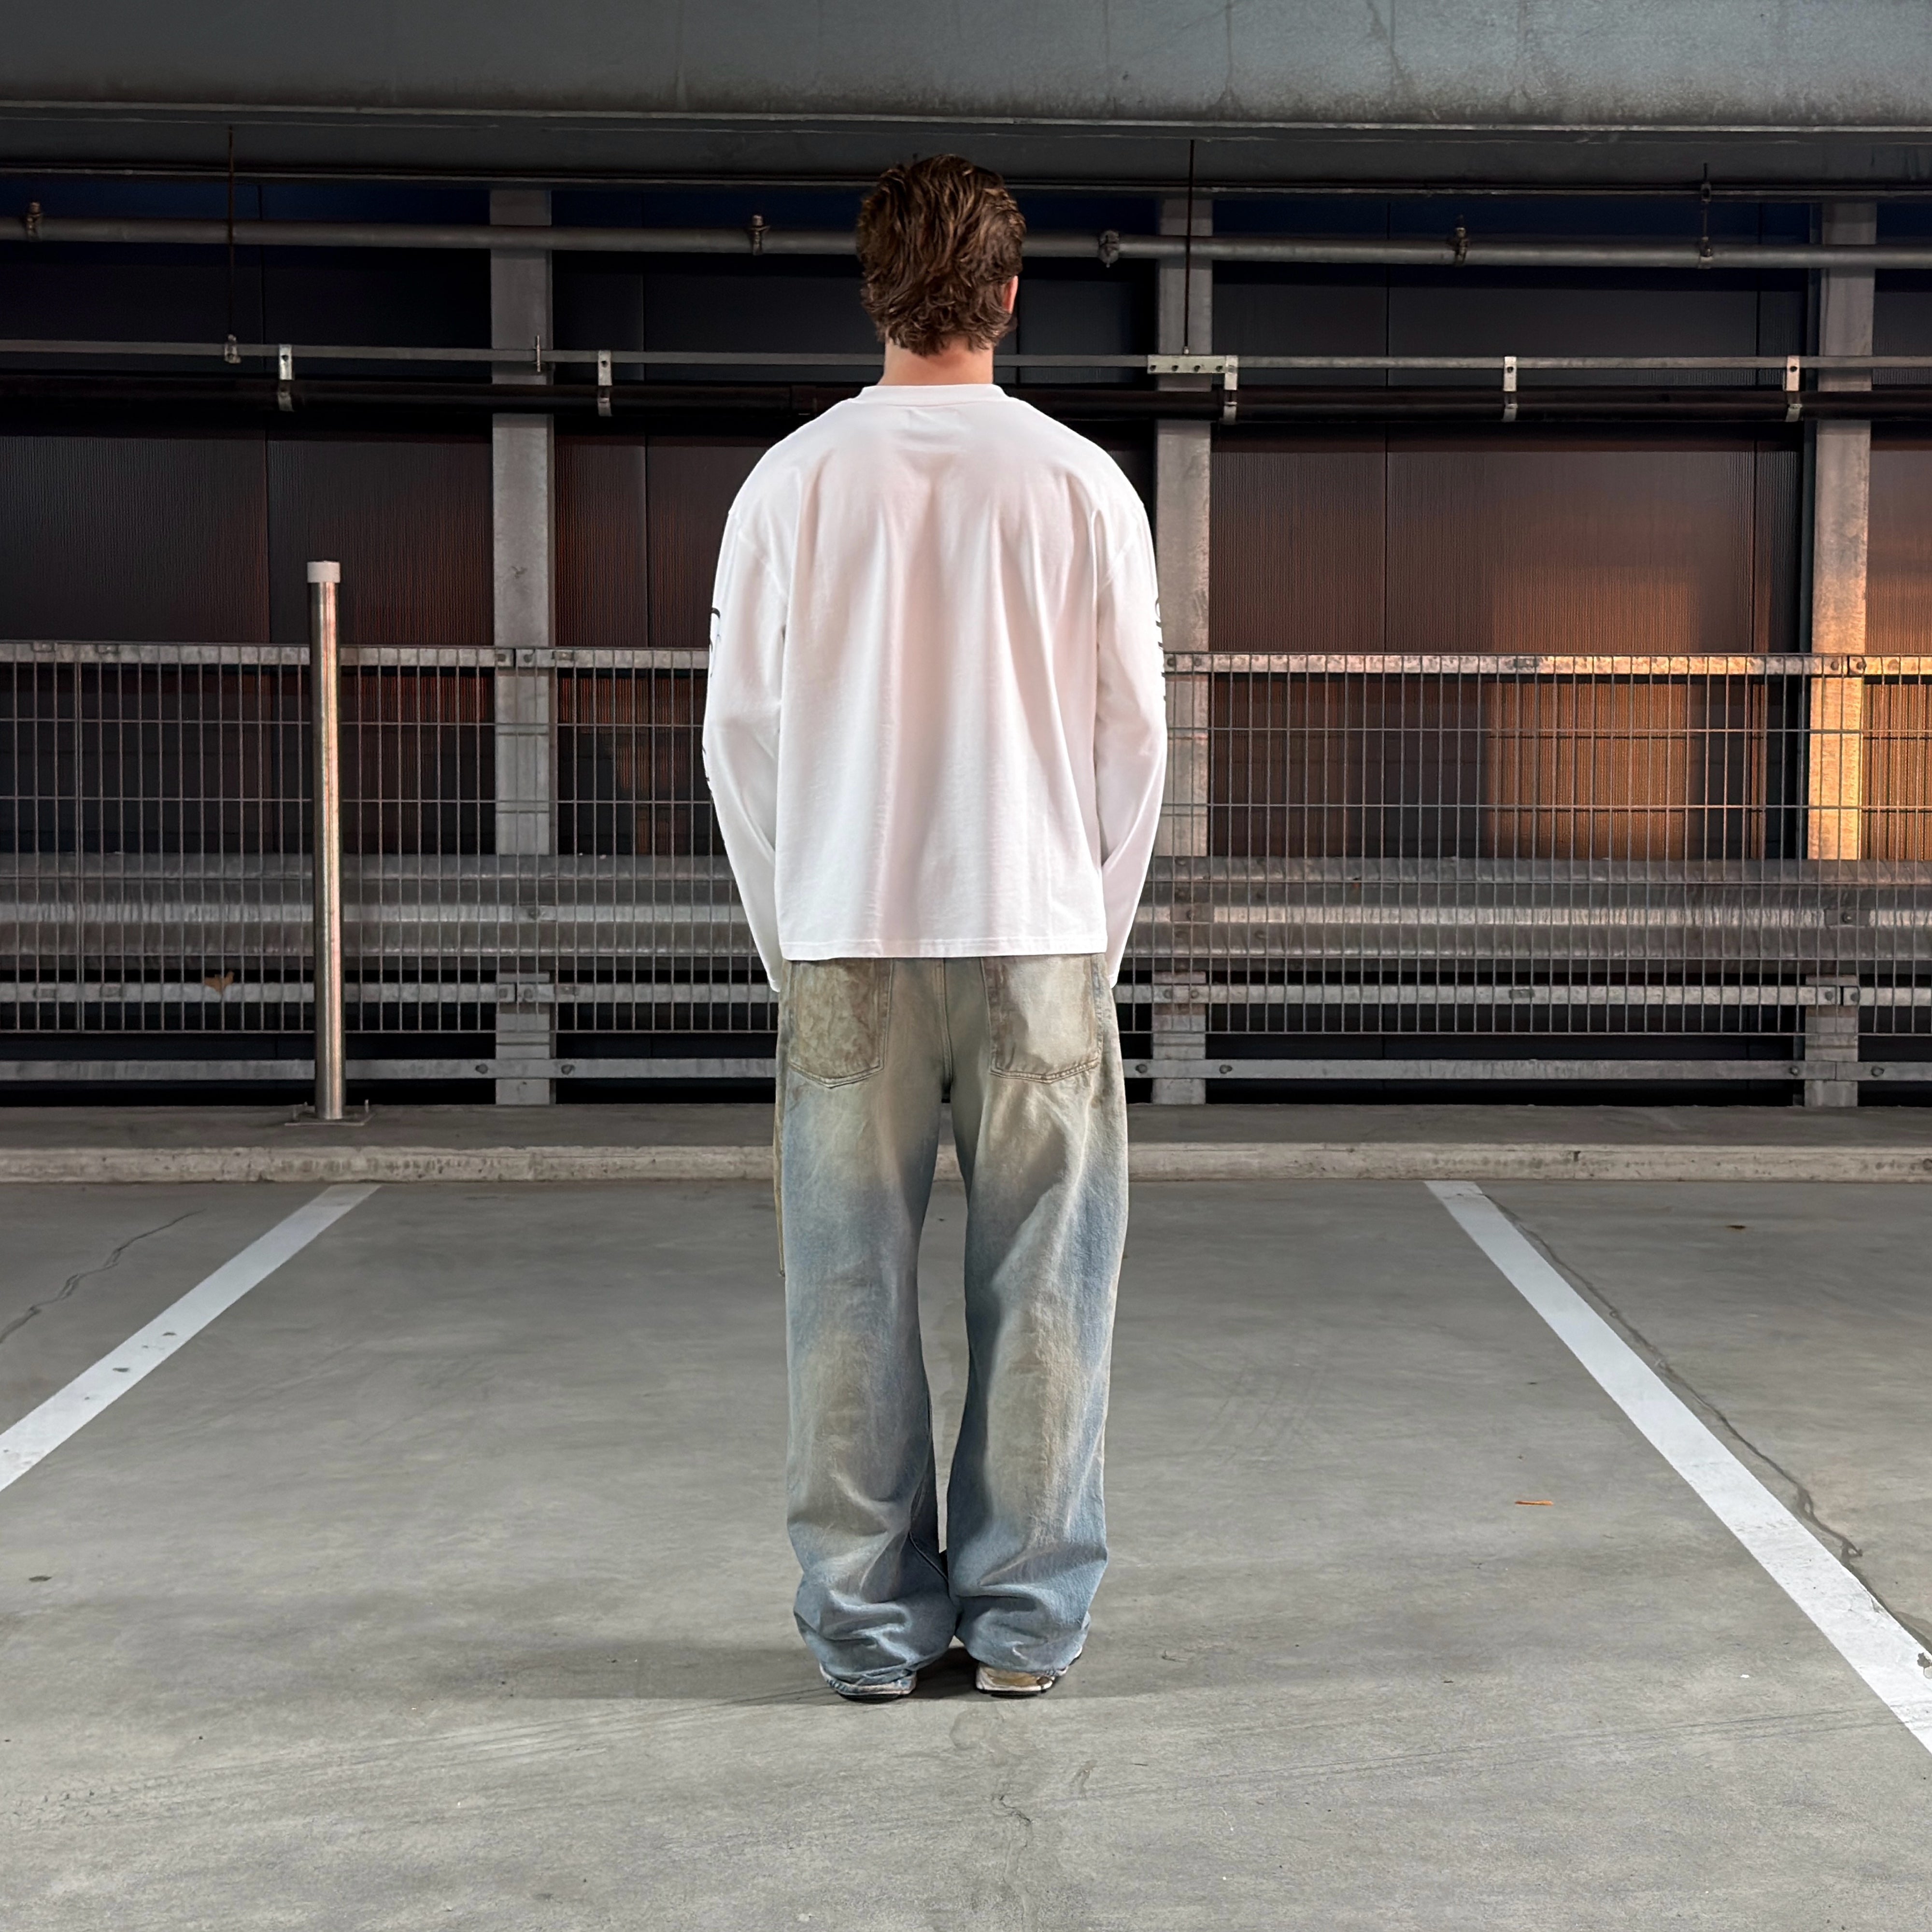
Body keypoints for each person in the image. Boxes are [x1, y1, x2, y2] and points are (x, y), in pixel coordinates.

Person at [702, 154, 1167, 1702]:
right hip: (1036, 930)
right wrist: (1086, 944)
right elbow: (1134, 739)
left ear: (872, 289)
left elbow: (741, 740)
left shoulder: (791, 484)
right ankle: (1026, 1626)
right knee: (1047, 1283)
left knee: (844, 1288)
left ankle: (866, 1629)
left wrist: (796, 937)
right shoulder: (1084, 484)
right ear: (1012, 294)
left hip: (845, 936)